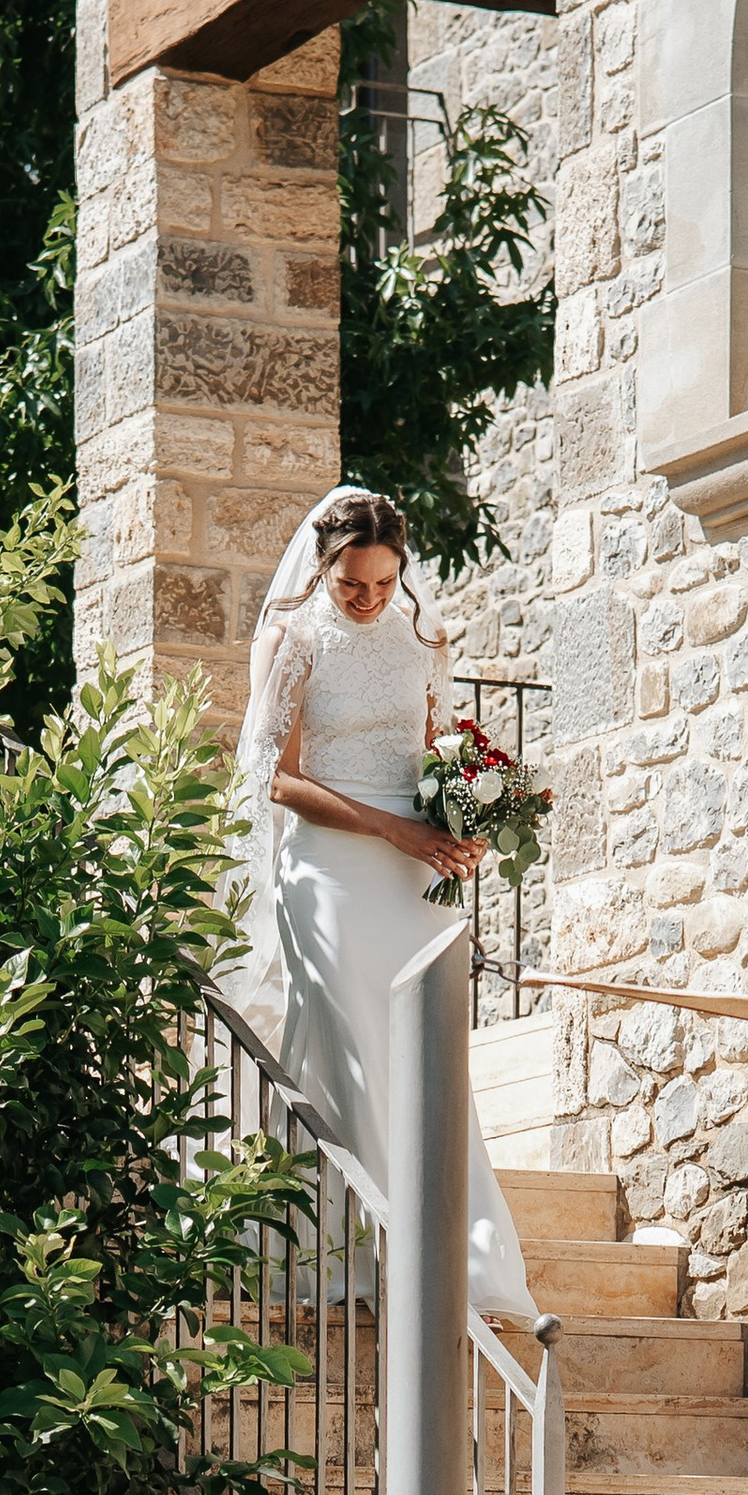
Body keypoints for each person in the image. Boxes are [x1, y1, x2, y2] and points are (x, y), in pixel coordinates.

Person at [229, 484, 534, 1321]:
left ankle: (443, 1261)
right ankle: (364, 1260)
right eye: (349, 585)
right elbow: (282, 779)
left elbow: (436, 754)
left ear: (402, 571)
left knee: (425, 1060)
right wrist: (396, 835)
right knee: (353, 1050)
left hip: (413, 878)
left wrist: (462, 822)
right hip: (328, 871)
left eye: (381, 584)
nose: (366, 601)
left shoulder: (424, 638)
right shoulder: (291, 640)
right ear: (323, 569)